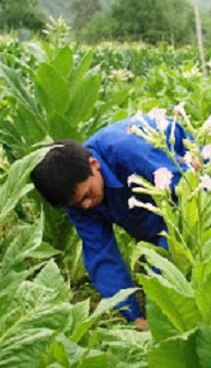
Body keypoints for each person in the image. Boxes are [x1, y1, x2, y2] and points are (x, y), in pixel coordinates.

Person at [29, 115, 193, 331]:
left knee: (175, 259)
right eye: (77, 204)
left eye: (87, 194)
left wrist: (159, 301)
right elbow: (100, 254)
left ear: (94, 164)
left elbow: (188, 195)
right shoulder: (76, 195)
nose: (86, 206)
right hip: (145, 209)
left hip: (184, 179)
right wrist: (133, 316)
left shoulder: (129, 152)